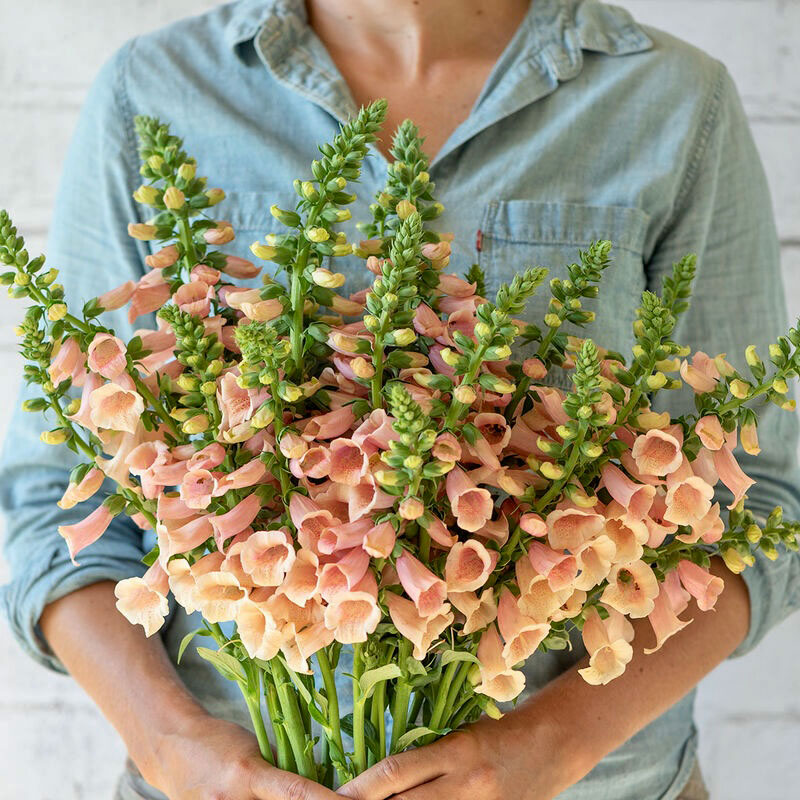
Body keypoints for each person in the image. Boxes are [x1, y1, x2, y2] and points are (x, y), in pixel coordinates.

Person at [2, 1, 798, 798]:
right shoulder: (156, 90)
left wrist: (553, 744)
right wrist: (173, 749)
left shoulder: (673, 99)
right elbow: (52, 498)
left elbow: (761, 505)